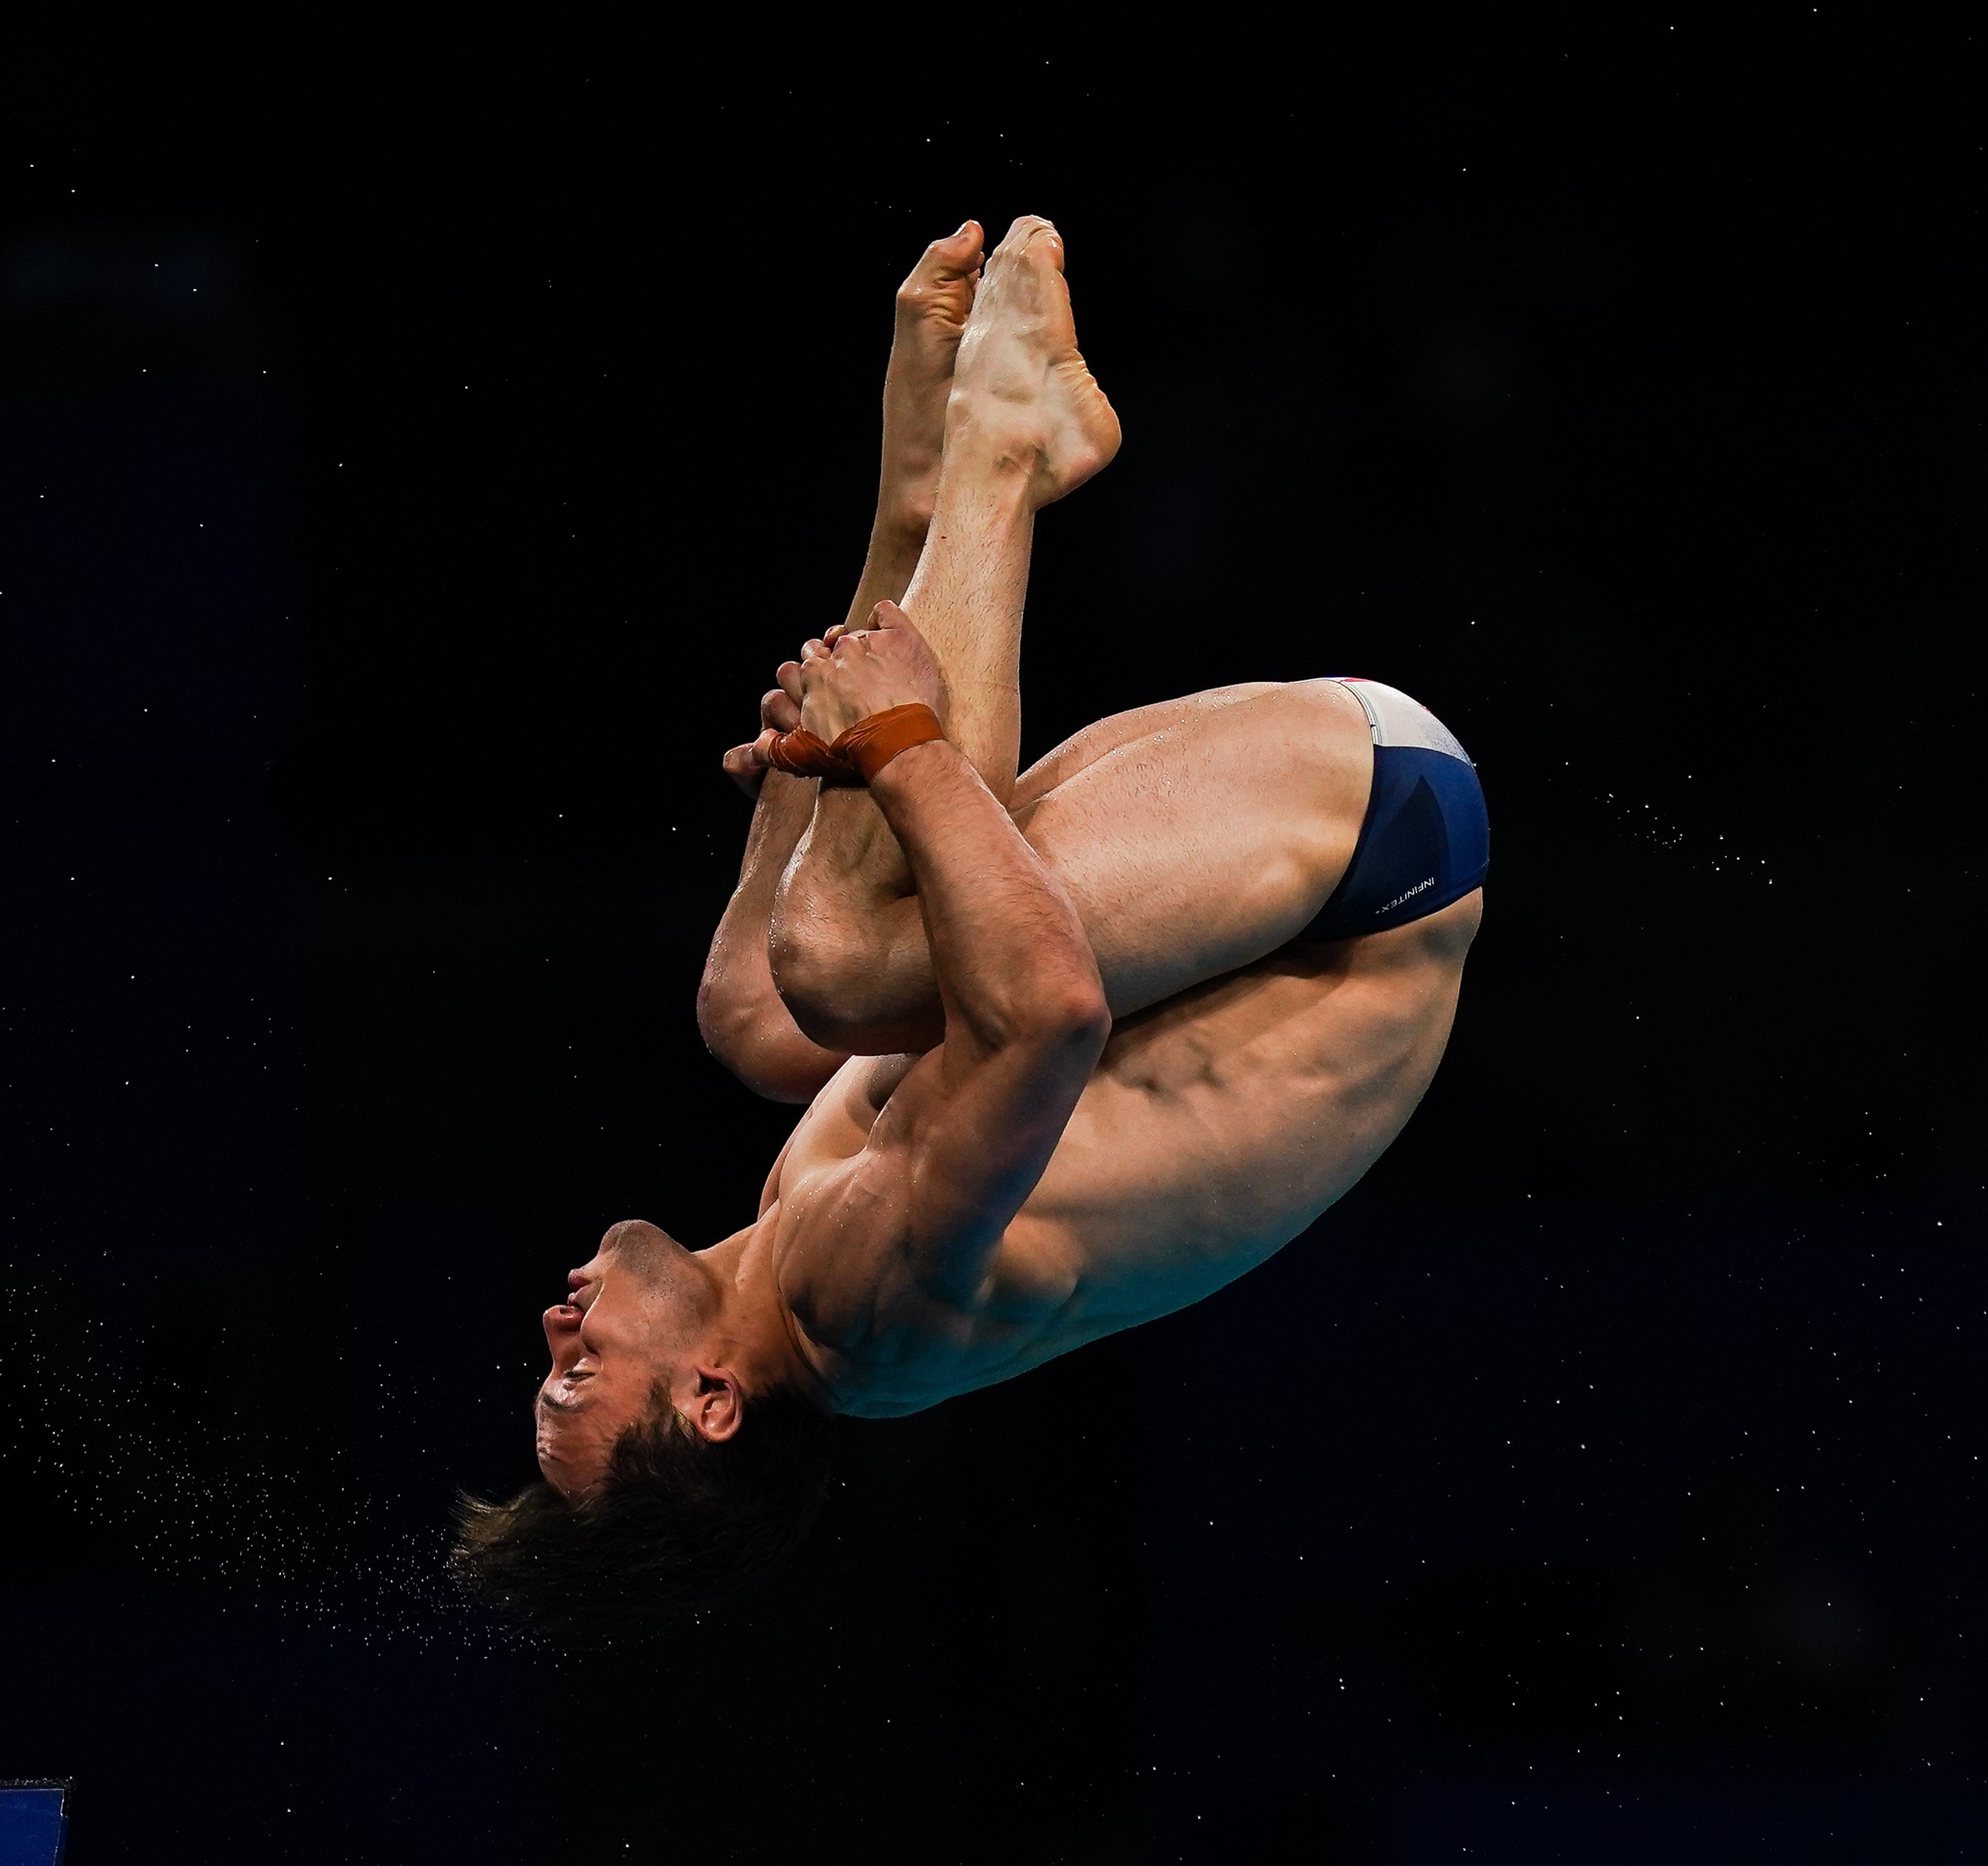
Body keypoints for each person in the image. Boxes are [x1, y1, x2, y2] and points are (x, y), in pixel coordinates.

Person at [459, 217, 1488, 1623]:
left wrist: (843, 740)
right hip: (1372, 867)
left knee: (758, 1014)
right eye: (579, 1372)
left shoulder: (796, 1250)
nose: (555, 1324)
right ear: (707, 1404)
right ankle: (999, 448)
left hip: (1319, 849)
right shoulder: (863, 1314)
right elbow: (1047, 1011)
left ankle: (928, 491)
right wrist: (890, 742)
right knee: (835, 961)